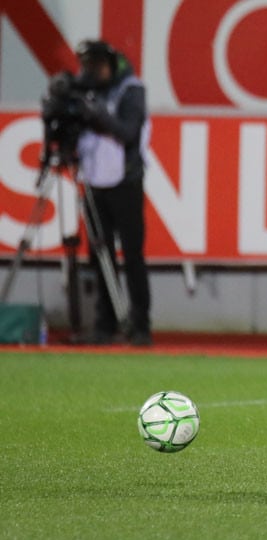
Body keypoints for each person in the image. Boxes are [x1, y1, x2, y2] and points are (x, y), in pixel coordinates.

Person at [73, 39, 152, 346]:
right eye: (87, 67)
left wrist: (95, 113)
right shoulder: (87, 91)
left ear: (110, 64)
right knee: (99, 255)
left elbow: (128, 132)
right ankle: (105, 325)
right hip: (94, 180)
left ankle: (140, 325)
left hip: (125, 181)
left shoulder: (130, 89)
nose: (91, 73)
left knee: (132, 255)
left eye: (96, 66)